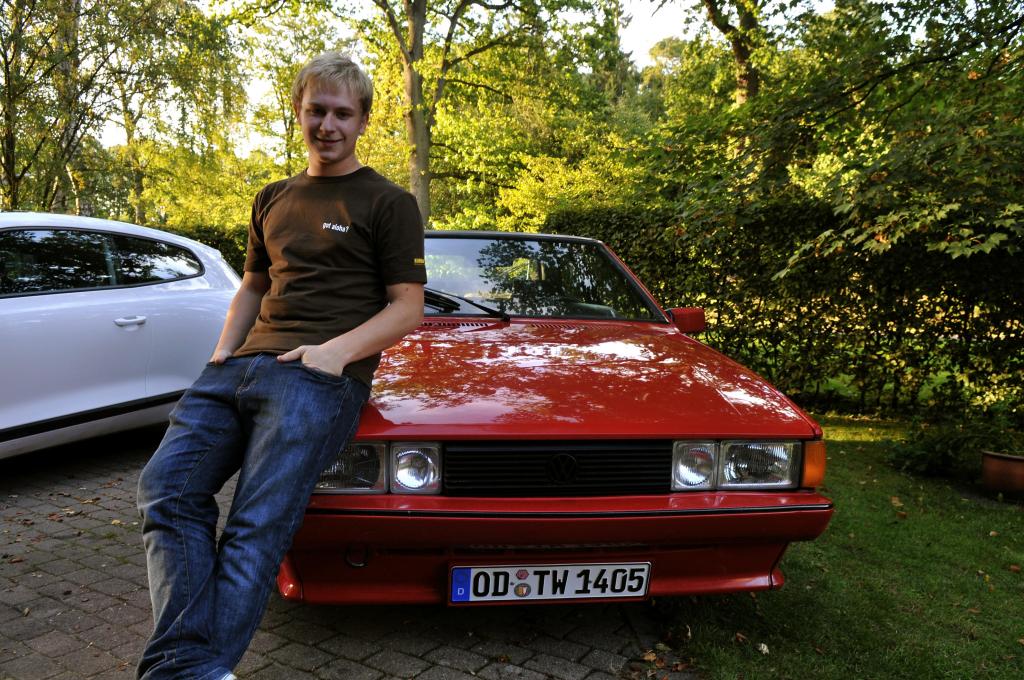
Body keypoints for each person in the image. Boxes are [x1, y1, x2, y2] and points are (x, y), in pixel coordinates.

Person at [135, 52, 426, 680]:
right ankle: (191, 667)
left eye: (342, 113)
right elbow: (253, 285)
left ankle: (186, 671)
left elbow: (408, 307)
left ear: (362, 120)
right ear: (298, 111)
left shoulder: (388, 201)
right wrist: (221, 352)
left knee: (256, 523)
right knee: (166, 491)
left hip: (315, 377)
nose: (328, 124)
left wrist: (333, 354)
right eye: (317, 110)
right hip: (236, 368)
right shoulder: (272, 197)